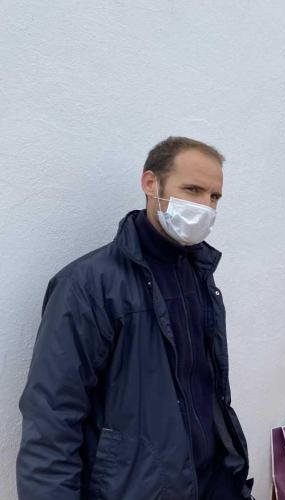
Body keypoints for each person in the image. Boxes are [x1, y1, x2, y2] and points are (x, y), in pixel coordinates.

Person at [16, 137, 254, 499]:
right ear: (150, 183)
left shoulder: (200, 274)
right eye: (192, 190)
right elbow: (52, 418)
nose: (205, 206)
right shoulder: (88, 285)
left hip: (213, 483)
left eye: (214, 196)